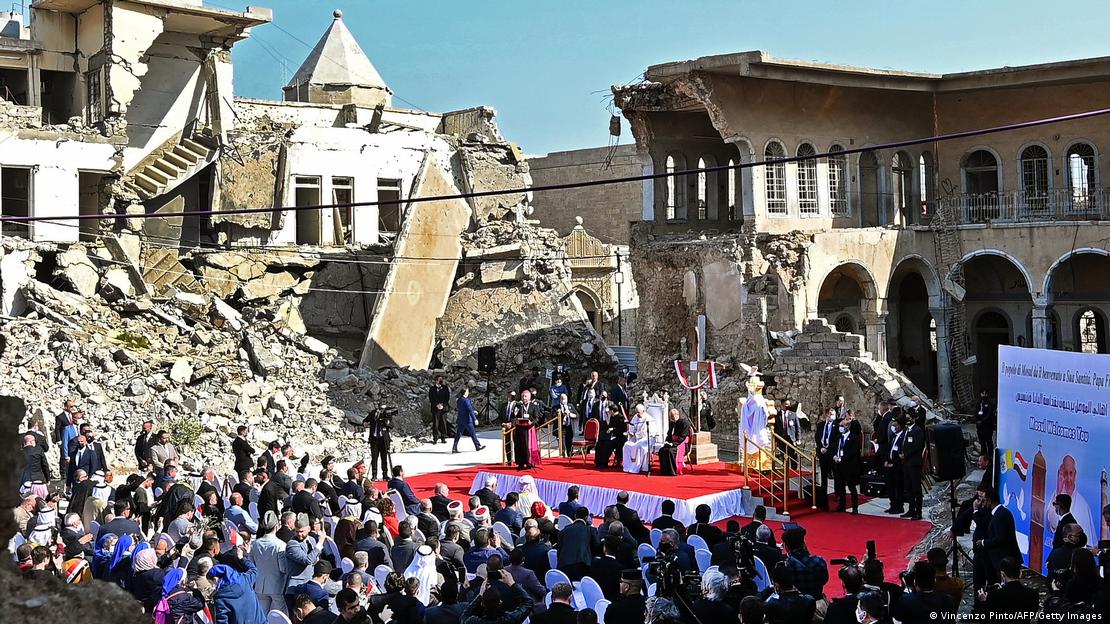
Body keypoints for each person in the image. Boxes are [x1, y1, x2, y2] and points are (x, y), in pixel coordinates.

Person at [974, 487, 1020, 585]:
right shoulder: (999, 513)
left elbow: (1000, 538)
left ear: (990, 501)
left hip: (1005, 559)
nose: (983, 503)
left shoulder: (1000, 515)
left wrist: (983, 542)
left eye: (984, 500)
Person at [209, 554, 267, 624]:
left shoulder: (220, 599)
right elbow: (254, 570)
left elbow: (222, 620)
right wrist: (243, 558)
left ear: (215, 579)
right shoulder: (245, 579)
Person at [891, 561, 956, 622]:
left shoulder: (905, 600)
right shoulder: (946, 600)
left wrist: (903, 589)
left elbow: (897, 616)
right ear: (934, 580)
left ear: (914, 582)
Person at [461, 569, 534, 624]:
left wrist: (480, 595)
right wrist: (512, 583)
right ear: (500, 602)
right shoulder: (510, 619)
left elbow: (465, 615)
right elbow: (528, 602)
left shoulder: (473, 621)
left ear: (482, 603)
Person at [781, 528, 828, 603]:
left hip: (796, 605)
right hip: (817, 603)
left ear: (786, 547)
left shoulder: (785, 566)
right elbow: (825, 580)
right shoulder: (819, 561)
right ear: (803, 544)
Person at [557, 507, 597, 581]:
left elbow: (559, 550)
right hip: (582, 567)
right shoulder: (591, 530)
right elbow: (597, 546)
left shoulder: (564, 530)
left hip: (564, 566)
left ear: (575, 516)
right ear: (586, 517)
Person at [833, 417, 861, 514]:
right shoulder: (838, 437)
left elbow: (853, 452)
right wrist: (834, 456)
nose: (840, 427)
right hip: (839, 466)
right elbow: (834, 449)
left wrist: (842, 458)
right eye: (839, 425)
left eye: (842, 426)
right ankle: (842, 505)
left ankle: (855, 507)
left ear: (847, 426)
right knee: (840, 487)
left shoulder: (853, 438)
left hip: (849, 466)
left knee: (851, 487)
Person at [900, 413, 925, 520]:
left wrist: (906, 454)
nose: (908, 420)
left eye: (909, 418)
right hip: (906, 463)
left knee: (916, 488)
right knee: (908, 487)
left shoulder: (918, 431)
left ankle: (918, 511)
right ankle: (911, 509)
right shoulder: (906, 430)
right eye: (906, 418)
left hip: (914, 463)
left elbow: (917, 446)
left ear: (914, 419)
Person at [881, 415, 906, 515]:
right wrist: (887, 460)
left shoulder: (903, 436)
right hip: (889, 463)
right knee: (890, 486)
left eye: (895, 425)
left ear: (899, 426)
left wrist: (894, 463)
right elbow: (889, 449)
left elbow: (901, 452)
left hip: (898, 465)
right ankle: (892, 504)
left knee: (898, 486)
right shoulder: (893, 436)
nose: (893, 427)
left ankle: (899, 506)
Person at [513, 390, 542, 469]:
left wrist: (531, 422)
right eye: (522, 396)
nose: (524, 398)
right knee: (519, 446)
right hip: (520, 428)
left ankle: (529, 462)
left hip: (529, 428)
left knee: (527, 446)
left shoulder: (533, 406)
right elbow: (515, 415)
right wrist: (516, 410)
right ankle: (521, 463)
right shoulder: (519, 405)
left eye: (525, 396)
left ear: (529, 397)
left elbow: (537, 418)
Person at [362, 406, 393, 480]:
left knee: (384, 458)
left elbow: (391, 425)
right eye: (380, 409)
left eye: (382, 409)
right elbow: (365, 420)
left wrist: (386, 421)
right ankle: (374, 475)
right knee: (374, 458)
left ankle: (385, 475)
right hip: (374, 438)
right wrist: (365, 423)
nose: (381, 411)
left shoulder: (387, 414)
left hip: (383, 439)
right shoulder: (373, 413)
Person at [658, 408, 691, 476]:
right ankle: (664, 471)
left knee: (670, 451)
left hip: (681, 443)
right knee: (662, 450)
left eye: (674, 415)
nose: (673, 417)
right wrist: (667, 442)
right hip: (672, 443)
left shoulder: (684, 423)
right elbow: (669, 435)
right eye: (672, 416)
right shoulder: (672, 423)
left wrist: (673, 444)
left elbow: (683, 437)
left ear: (678, 414)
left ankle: (672, 471)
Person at [622, 404, 652, 474]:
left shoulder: (648, 418)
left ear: (643, 411)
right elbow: (632, 427)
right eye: (636, 412)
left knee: (638, 446)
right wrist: (631, 432)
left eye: (639, 412)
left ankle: (637, 467)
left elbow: (646, 432)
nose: (637, 414)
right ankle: (628, 466)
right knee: (626, 445)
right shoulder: (635, 417)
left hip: (645, 439)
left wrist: (636, 434)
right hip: (636, 437)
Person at [595, 404, 627, 468]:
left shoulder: (621, 417)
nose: (609, 412)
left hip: (619, 437)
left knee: (607, 445)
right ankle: (599, 462)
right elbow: (609, 426)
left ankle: (604, 463)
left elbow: (623, 429)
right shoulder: (612, 417)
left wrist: (613, 429)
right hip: (611, 436)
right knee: (600, 444)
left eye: (609, 411)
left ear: (612, 411)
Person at [454, 387, 485, 454]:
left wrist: (473, 411)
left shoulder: (459, 400)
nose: (468, 393)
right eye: (467, 391)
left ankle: (454, 447)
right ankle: (477, 446)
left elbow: (463, 409)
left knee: (458, 434)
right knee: (472, 433)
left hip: (460, 419)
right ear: (465, 392)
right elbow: (469, 410)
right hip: (467, 420)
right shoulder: (466, 400)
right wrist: (475, 419)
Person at [553, 392, 577, 457]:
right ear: (560, 399)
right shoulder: (556, 407)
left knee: (569, 442)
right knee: (562, 443)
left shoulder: (570, 406)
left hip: (569, 427)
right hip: (561, 427)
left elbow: (576, 415)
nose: (564, 400)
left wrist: (570, 414)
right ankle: (563, 454)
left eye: (565, 398)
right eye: (562, 398)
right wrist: (562, 414)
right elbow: (553, 417)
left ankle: (570, 454)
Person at [429, 374, 451, 444]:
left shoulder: (445, 388)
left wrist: (442, 405)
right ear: (436, 381)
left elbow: (447, 398)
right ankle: (435, 438)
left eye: (442, 379)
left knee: (443, 423)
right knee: (435, 424)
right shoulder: (432, 389)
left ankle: (443, 437)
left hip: (443, 408)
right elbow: (431, 398)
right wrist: (437, 405)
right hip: (435, 409)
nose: (441, 381)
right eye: (439, 380)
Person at [975, 387, 995, 456]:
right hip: (980, 426)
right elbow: (976, 412)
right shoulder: (979, 402)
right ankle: (983, 455)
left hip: (988, 426)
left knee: (989, 441)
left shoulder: (990, 403)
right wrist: (977, 421)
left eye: (985, 393)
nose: (984, 395)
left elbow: (989, 414)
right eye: (982, 393)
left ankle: (990, 456)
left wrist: (983, 421)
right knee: (982, 442)